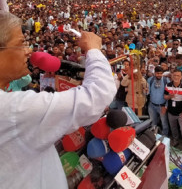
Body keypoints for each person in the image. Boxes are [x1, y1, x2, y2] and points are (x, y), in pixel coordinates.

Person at [0, 11, 117, 188]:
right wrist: (93, 50)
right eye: (21, 43)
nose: (28, 51)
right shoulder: (13, 110)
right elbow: (96, 96)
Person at [164, 69, 182, 158]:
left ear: (181, 77)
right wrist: (169, 96)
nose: (176, 77)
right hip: (171, 112)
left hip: (181, 113)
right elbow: (165, 96)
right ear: (171, 76)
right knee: (173, 128)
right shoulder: (168, 85)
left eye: (178, 76)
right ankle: (175, 141)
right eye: (174, 75)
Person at [147, 66, 169, 137]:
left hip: (162, 106)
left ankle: (164, 137)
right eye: (157, 73)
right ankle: (153, 136)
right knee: (153, 122)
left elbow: (169, 96)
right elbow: (147, 93)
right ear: (154, 73)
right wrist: (145, 91)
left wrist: (165, 106)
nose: (159, 75)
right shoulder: (150, 80)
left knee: (164, 123)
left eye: (160, 73)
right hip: (152, 105)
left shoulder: (166, 81)